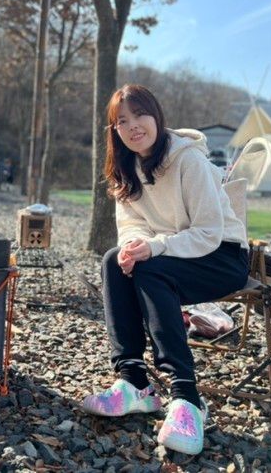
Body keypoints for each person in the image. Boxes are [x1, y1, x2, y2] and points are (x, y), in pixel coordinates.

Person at [81, 85, 249, 455]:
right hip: (175, 254)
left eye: (140, 115)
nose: (133, 126)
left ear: (156, 117)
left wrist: (154, 248)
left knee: (151, 269)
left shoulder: (188, 160)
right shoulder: (125, 169)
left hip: (223, 255)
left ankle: (188, 400)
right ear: (114, 131)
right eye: (121, 120)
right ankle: (134, 383)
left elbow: (208, 231)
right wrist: (132, 247)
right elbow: (132, 225)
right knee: (114, 260)